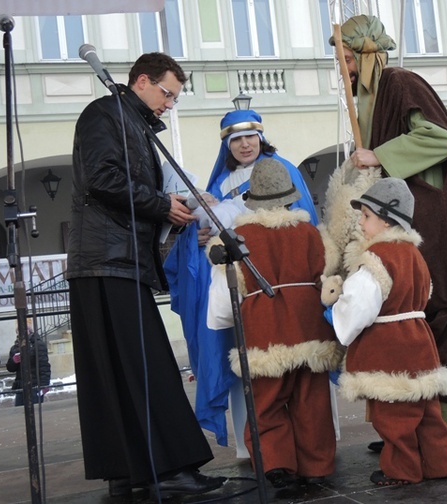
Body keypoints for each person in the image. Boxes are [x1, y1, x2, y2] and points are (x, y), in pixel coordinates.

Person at [330, 15, 447, 454]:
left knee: (441, 306)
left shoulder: (401, 82)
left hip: (429, 222)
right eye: (340, 60)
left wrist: (380, 155)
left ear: (367, 54)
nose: (344, 68)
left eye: (348, 58)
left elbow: (440, 140)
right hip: (401, 220)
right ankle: (408, 426)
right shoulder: (370, 97)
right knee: (406, 319)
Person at [66, 52, 225, 499]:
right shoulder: (105, 114)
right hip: (106, 261)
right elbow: (101, 177)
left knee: (118, 371)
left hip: (112, 259)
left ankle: (128, 470)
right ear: (141, 81)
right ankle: (171, 467)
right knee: (145, 365)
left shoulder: (129, 122)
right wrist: (161, 205)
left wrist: (168, 211)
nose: (170, 104)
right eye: (167, 93)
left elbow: (122, 185)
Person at [163, 109, 318, 457]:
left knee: (303, 373)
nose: (245, 144)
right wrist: (198, 237)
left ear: (261, 138)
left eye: (250, 136)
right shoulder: (217, 184)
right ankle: (259, 450)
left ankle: (311, 445)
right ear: (227, 144)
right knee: (249, 367)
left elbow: (301, 221)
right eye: (236, 139)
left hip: (284, 281)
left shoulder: (283, 171)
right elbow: (204, 236)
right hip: (245, 290)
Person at [206, 158, 341, 488]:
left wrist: (224, 323)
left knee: (265, 404)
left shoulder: (238, 238)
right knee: (312, 401)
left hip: (264, 332)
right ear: (291, 196)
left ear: (252, 199)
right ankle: (317, 465)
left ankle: (277, 467)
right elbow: (327, 280)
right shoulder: (313, 234)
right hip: (311, 329)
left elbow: (224, 303)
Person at [328, 177, 447, 486]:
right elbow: (425, 294)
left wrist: (335, 313)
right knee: (426, 410)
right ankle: (439, 463)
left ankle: (402, 471)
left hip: (390, 346)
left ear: (386, 220)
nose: (361, 222)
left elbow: (359, 305)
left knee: (394, 415)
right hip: (418, 338)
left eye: (367, 216)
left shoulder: (376, 259)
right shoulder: (415, 255)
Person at [5, 320, 50, 407]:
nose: (20, 333)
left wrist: (44, 385)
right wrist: (14, 361)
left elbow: (44, 366)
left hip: (35, 386)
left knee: (35, 411)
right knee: (19, 412)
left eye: (24, 329)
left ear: (29, 330)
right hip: (21, 387)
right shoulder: (15, 347)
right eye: (18, 331)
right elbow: (10, 368)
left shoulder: (38, 344)